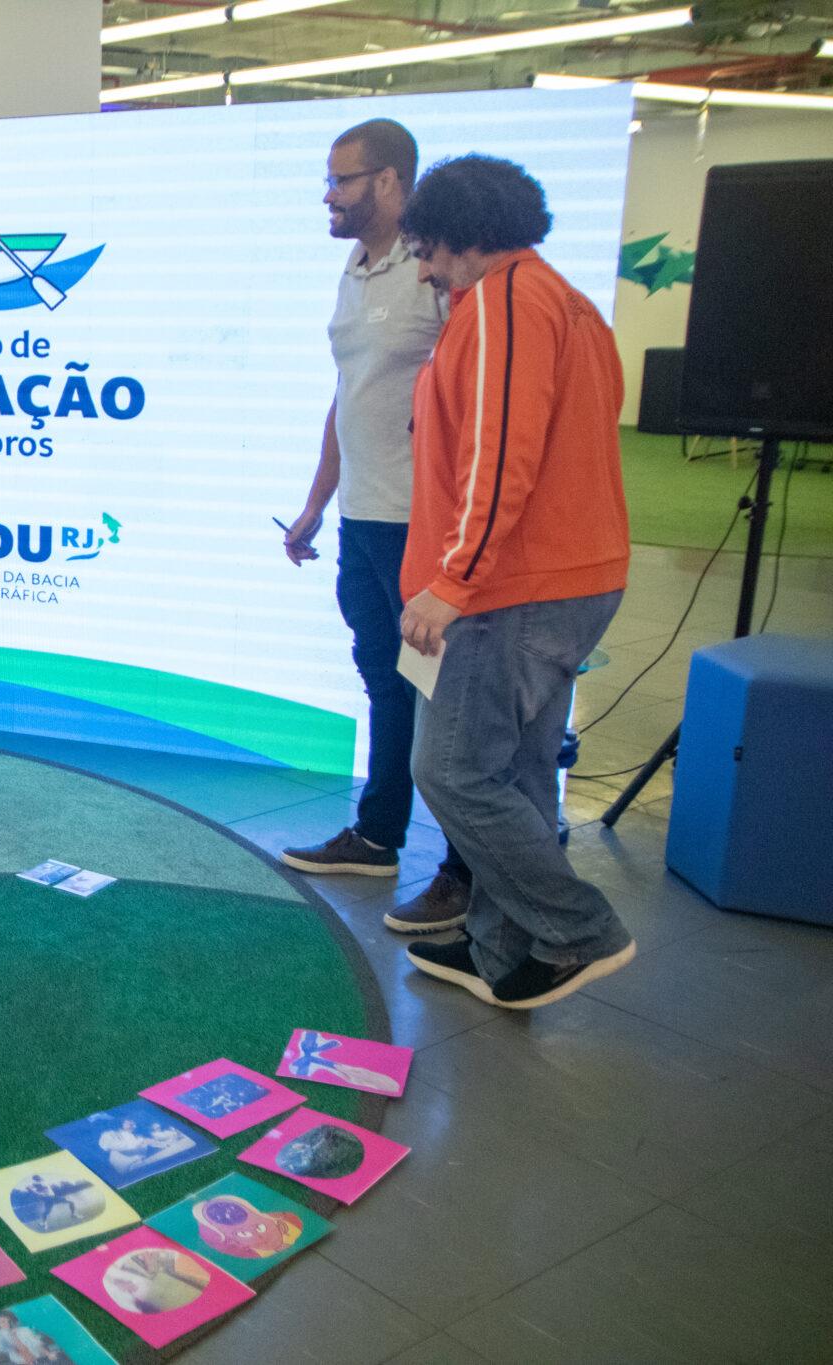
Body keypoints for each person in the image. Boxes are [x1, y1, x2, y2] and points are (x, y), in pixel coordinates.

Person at [394, 155, 636, 1010]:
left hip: (512, 589)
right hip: (562, 579)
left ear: (464, 237)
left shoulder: (504, 303)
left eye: (428, 251)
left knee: (453, 771)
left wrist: (453, 580)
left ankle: (576, 928)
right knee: (520, 772)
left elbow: (500, 457)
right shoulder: (565, 302)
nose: (423, 271)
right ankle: (503, 941)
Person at [278, 119, 474, 932]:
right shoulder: (355, 268)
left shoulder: (436, 274)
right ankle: (378, 835)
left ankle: (465, 869)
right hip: (362, 518)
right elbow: (349, 395)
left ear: (390, 181)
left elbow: (471, 397)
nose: (329, 195)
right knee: (384, 682)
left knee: (444, 698)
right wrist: (316, 501)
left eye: (342, 180)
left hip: (420, 526)